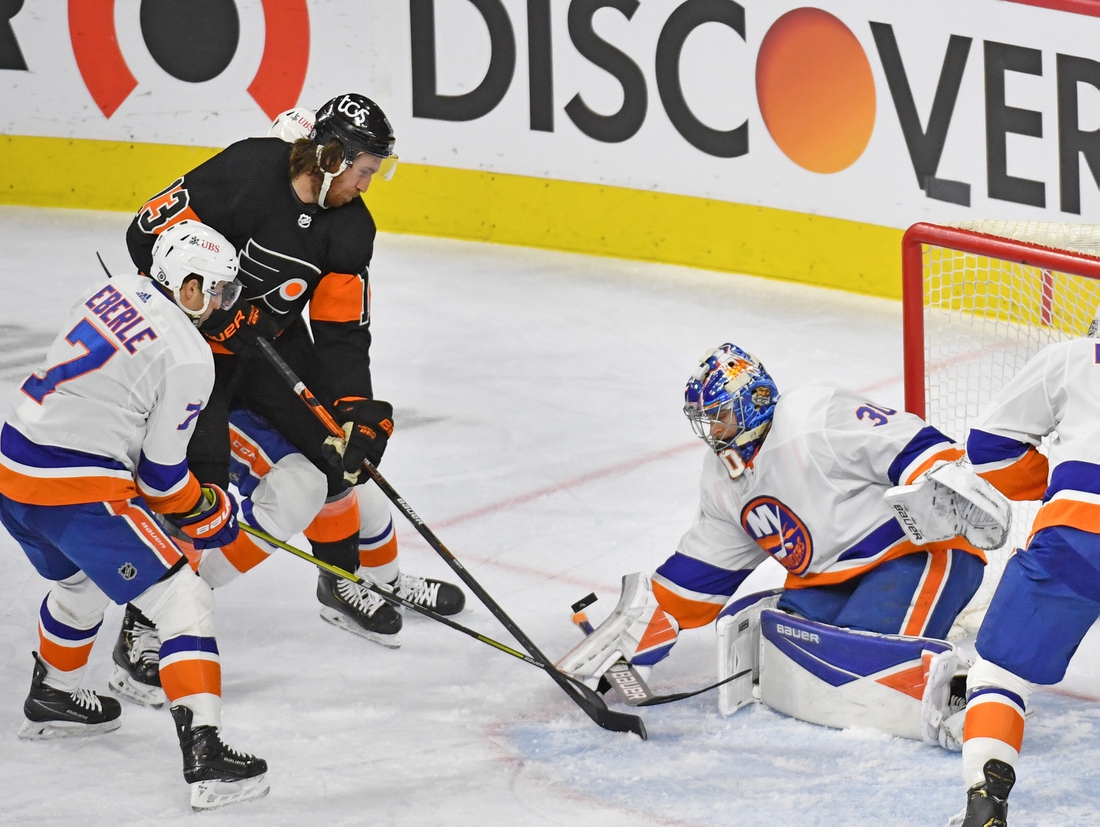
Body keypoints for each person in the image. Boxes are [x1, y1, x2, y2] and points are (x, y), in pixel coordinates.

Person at [110, 93, 466, 704]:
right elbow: (144, 234)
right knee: (201, 484)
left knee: (336, 449)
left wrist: (356, 407)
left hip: (265, 343)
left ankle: (338, 580)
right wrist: (206, 309)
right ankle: (144, 624)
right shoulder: (249, 170)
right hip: (189, 351)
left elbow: (341, 329)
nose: (368, 182)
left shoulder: (352, 227)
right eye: (363, 168)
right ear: (330, 156)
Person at [557, 343, 1011, 740]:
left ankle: (970, 696)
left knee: (857, 669)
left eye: (721, 417)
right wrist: (644, 630)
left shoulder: (813, 415)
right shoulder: (724, 478)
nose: (713, 432)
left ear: (755, 401)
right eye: (706, 421)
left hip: (916, 556)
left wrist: (944, 478)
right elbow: (702, 570)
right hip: (824, 579)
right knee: (790, 660)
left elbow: (904, 444)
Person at [0, 221, 269, 810]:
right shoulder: (191, 354)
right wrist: (210, 511)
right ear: (189, 286)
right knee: (184, 599)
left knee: (82, 581)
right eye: (219, 291)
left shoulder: (115, 288)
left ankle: (54, 696)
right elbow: (161, 481)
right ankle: (207, 756)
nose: (223, 305)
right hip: (76, 484)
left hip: (14, 464)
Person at [944, 317, 1100, 826]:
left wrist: (1056, 482)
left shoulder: (1074, 355)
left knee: (999, 670)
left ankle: (985, 799)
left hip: (1077, 535)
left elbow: (988, 451)